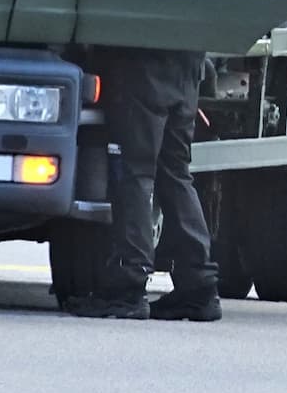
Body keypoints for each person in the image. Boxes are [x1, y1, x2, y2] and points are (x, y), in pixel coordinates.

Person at [66, 46, 221, 322]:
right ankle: (199, 285)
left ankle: (129, 285)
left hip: (142, 64)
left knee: (134, 172)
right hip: (187, 62)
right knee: (175, 172)